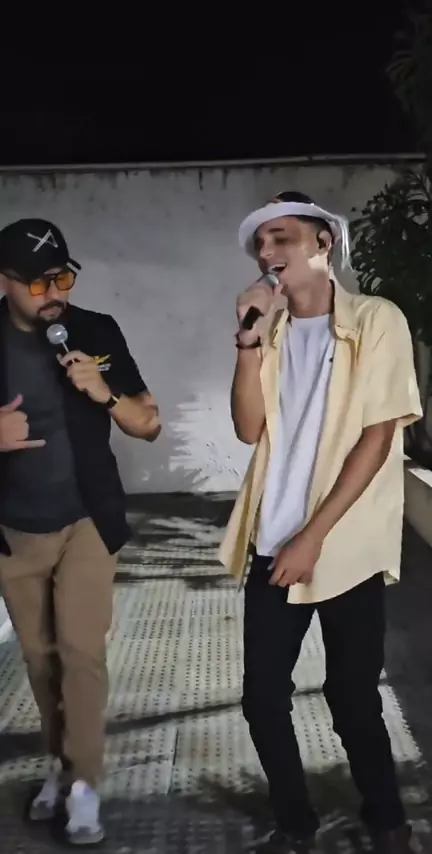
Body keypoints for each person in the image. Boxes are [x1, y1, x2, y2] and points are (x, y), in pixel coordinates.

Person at [219, 192, 423, 854]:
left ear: (323, 243)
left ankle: (388, 821)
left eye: (281, 238)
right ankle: (295, 824)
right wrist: (248, 339)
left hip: (343, 545)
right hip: (271, 539)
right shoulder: (272, 332)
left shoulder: (375, 320)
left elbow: (378, 435)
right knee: (262, 700)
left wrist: (313, 537)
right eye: (260, 244)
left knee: (353, 698)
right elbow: (248, 427)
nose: (267, 253)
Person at [0, 218, 161, 846]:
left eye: (62, 278)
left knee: (80, 654)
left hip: (88, 520)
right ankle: (60, 765)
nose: (53, 294)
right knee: (40, 661)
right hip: (15, 529)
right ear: (4, 281)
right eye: (38, 283)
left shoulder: (94, 332)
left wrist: (105, 394)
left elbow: (149, 423)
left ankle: (85, 785)